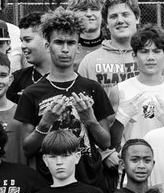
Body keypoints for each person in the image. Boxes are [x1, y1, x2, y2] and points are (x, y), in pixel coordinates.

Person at [16, 10, 115, 174]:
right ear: (47, 46)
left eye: (71, 43)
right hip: (49, 181)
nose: (65, 49)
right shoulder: (31, 93)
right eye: (59, 42)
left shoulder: (93, 88)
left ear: (78, 47)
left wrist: (90, 119)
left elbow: (106, 142)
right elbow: (27, 148)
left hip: (90, 178)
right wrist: (45, 123)